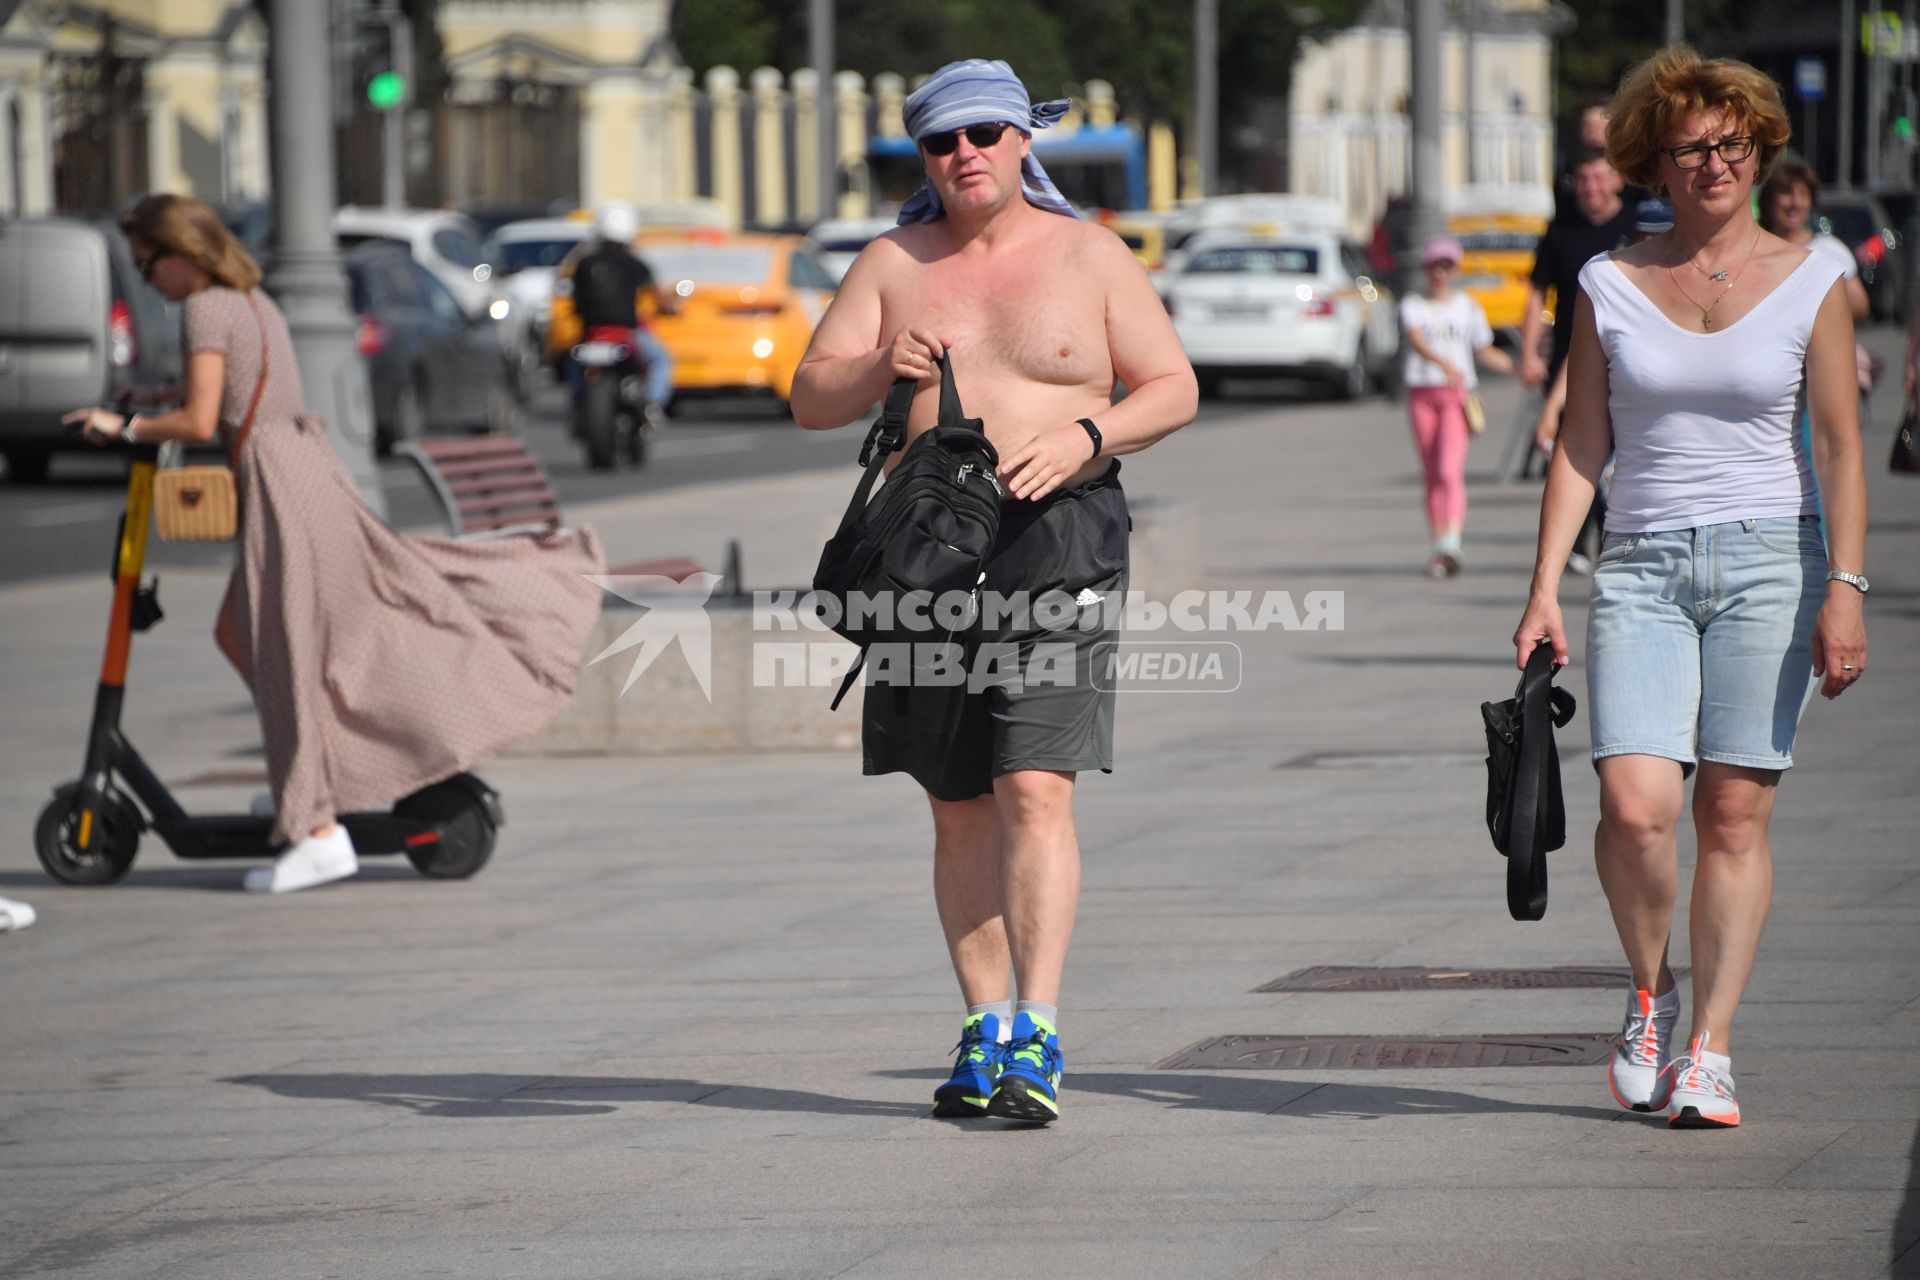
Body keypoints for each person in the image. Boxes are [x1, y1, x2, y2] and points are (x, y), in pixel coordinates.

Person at [789, 59, 1196, 1125]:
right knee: (958, 800)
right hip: (926, 560)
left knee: (1035, 785)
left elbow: (1175, 386)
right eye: (940, 141)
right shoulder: (892, 262)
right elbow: (807, 397)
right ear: (921, 157)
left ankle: (1040, 1030)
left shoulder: (1090, 254)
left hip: (1058, 541)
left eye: (982, 133)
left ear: (1024, 141)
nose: (963, 154)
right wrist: (884, 357)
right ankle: (984, 1030)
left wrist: (1084, 435)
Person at [1510, 46, 1868, 1129]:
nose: (1713, 164)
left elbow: (1844, 449)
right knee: (1634, 806)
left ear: (1758, 149)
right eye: (1689, 150)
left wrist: (1846, 584)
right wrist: (1540, 591)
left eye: (1731, 145)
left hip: (1773, 557)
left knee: (1730, 810)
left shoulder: (1816, 275)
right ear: (1651, 163)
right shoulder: (1609, 282)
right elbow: (1581, 442)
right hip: (1643, 561)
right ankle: (1648, 990)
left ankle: (1709, 1046)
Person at [65, 194, 606, 893]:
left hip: (278, 482)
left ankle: (320, 831)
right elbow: (228, 387)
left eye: (147, 266)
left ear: (181, 254)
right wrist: (155, 392)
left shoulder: (203, 306)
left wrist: (125, 428)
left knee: (291, 649)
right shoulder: (251, 298)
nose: (146, 281)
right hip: (304, 466)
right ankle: (310, 776)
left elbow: (203, 421)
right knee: (243, 632)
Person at [1521, 150, 1636, 568]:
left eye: (1600, 178)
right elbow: (1538, 292)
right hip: (1569, 358)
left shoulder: (1638, 227)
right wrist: (1530, 350)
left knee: (1619, 451)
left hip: (1626, 358)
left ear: (1618, 181)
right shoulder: (1560, 231)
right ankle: (1576, 540)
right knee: (1571, 447)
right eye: (1583, 179)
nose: (1591, 188)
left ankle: (1613, 533)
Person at [1398, 235, 1512, 576]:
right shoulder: (1414, 304)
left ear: (1455, 269)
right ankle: (1439, 545)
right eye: (1435, 266)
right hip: (1422, 392)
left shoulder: (1468, 307)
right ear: (1426, 269)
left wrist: (1520, 368)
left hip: (1455, 396)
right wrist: (1440, 361)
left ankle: (1452, 543)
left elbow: (1483, 349)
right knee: (1432, 472)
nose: (1440, 273)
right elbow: (1416, 338)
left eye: (1446, 266)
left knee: (1449, 470)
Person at [555, 203, 676, 437]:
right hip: (626, 332)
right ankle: (652, 404)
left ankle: (576, 405)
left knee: (572, 363)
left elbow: (567, 292)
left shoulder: (584, 263)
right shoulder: (636, 263)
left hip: (591, 333)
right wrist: (670, 307)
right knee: (661, 359)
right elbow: (658, 296)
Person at [1758, 157, 1870, 322]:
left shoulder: (1828, 249)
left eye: (1803, 194)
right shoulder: (1754, 247)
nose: (1795, 202)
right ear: (1769, 200)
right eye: (1786, 192)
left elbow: (1859, 305)